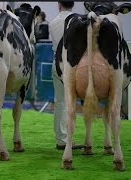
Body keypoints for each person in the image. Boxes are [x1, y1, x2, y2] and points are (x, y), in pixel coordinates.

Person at [50, 1, 84, 150]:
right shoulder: (80, 21)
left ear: (59, 5)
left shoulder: (53, 22)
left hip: (57, 64)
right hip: (76, 65)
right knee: (72, 101)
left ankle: (61, 139)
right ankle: (68, 138)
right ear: (73, 5)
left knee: (60, 102)